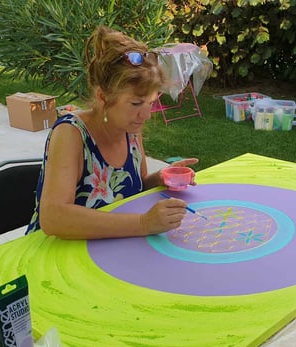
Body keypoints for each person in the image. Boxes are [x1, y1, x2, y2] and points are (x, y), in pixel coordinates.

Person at [26, 25, 198, 239]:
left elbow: (134, 187)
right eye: (135, 103)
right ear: (103, 97)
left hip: (109, 248)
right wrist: (143, 224)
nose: (146, 115)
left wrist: (159, 178)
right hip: (56, 252)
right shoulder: (71, 133)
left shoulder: (130, 129)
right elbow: (53, 218)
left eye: (151, 102)